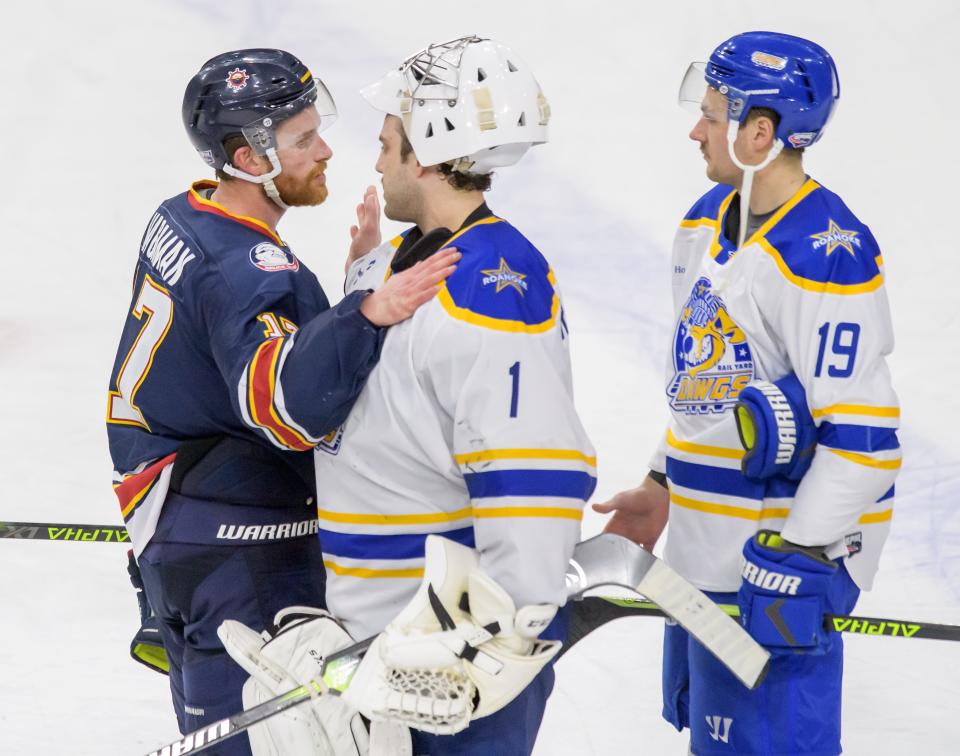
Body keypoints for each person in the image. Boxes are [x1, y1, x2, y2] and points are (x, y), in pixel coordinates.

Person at [222, 35, 596, 755]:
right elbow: (390, 413)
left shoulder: (492, 291)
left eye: (389, 142)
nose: (375, 159)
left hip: (449, 673)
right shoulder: (408, 259)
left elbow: (533, 478)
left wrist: (502, 645)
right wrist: (361, 278)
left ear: (426, 153)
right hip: (384, 653)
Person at [106, 48, 458, 755]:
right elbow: (285, 412)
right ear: (248, 156)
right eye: (302, 140)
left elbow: (222, 343)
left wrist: (337, 292)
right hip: (241, 552)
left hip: (174, 517)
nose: (326, 148)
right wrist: (366, 308)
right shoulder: (249, 270)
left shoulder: (183, 214)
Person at [593, 32, 901, 755]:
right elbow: (707, 383)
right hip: (707, 563)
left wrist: (796, 555)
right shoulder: (705, 220)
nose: (695, 129)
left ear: (759, 132)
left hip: (774, 579)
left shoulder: (827, 253)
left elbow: (864, 444)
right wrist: (663, 480)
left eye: (712, 115)